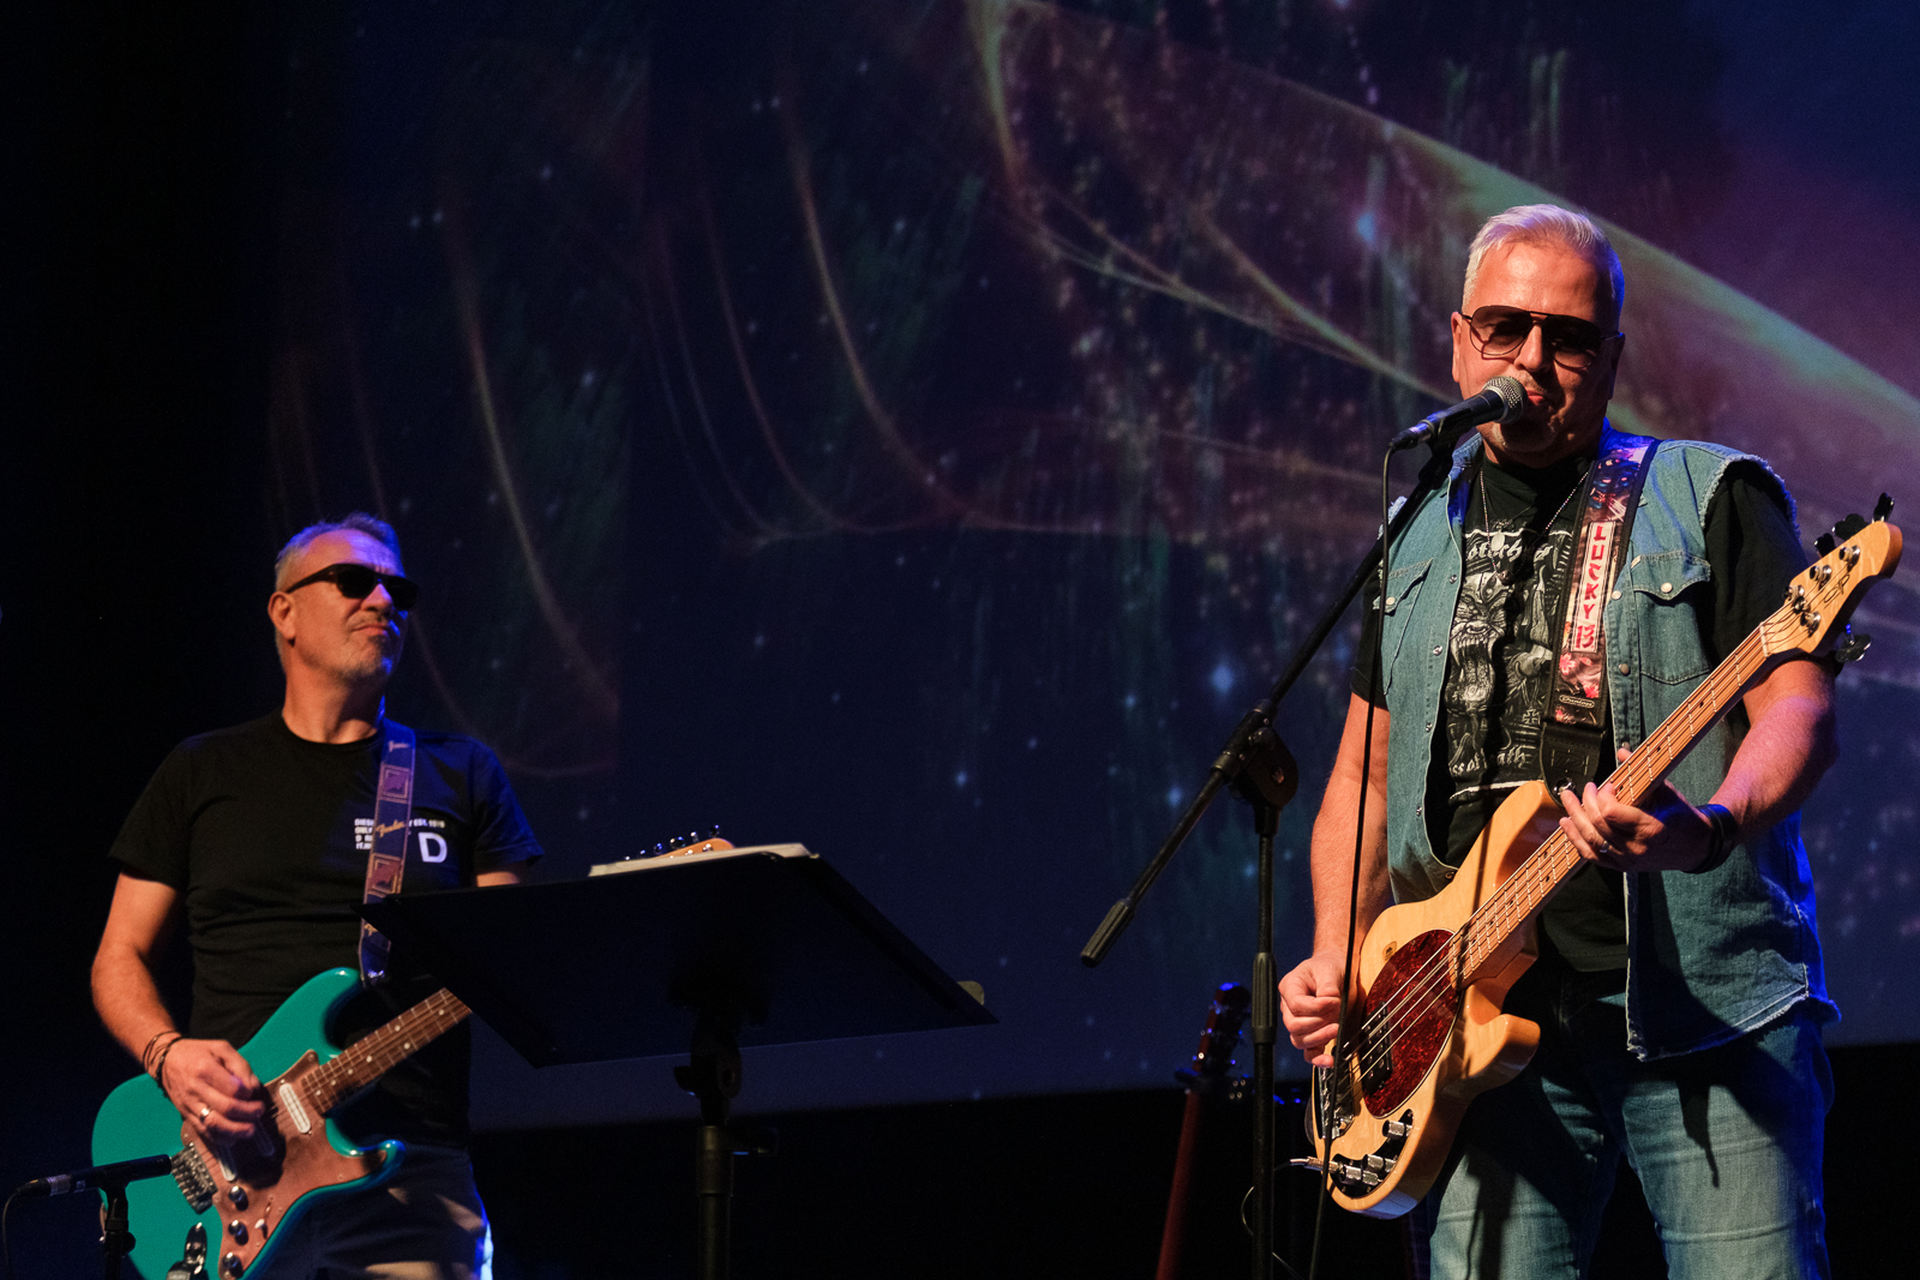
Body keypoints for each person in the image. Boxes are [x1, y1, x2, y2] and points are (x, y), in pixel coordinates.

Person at [1279, 205, 1837, 1278]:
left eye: (1569, 337)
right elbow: (1364, 777)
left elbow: (1799, 713)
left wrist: (1710, 826)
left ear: (1611, 361)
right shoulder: (1414, 533)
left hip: (1700, 1004)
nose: (1533, 359)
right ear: (1460, 343)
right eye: (1506, 327)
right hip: (1466, 1018)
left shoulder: (1711, 496)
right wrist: (1338, 954)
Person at [91, 512, 542, 1278]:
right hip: (226, 1177)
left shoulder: (461, 774)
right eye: (355, 581)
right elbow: (118, 957)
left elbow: (514, 950)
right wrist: (169, 1058)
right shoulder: (201, 772)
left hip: (408, 1179)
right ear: (285, 612)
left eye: (397, 589)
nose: (383, 601)